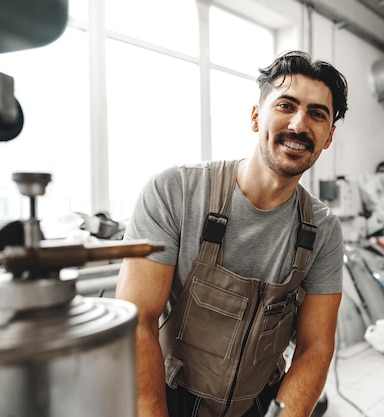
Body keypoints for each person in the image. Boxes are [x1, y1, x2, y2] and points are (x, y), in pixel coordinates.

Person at [115, 50, 348, 417]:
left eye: (317, 114)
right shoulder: (176, 191)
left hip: (259, 403)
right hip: (169, 399)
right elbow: (137, 318)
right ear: (256, 117)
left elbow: (315, 346)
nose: (300, 125)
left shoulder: (323, 230)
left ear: (328, 136)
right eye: (286, 105)